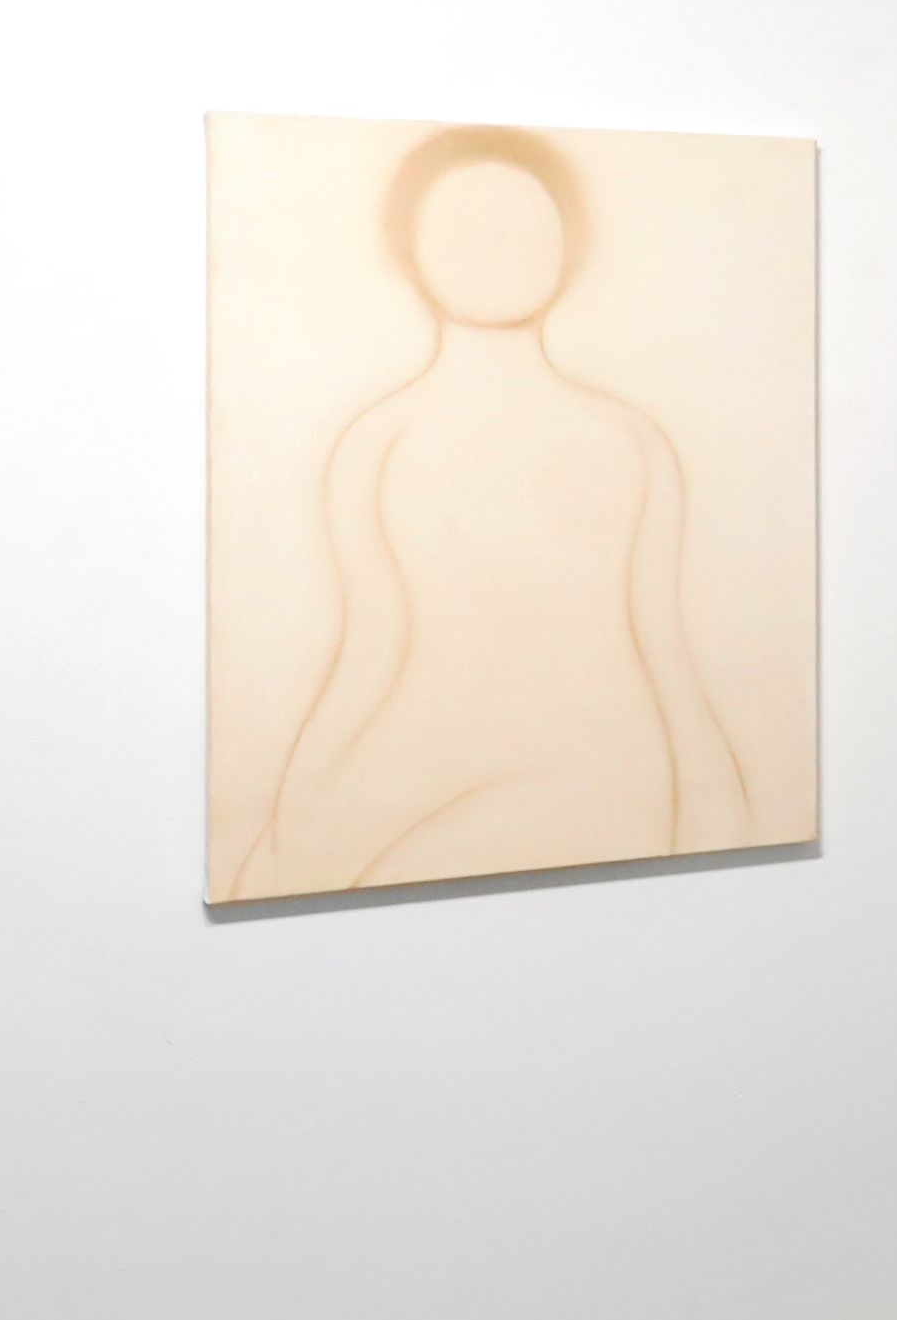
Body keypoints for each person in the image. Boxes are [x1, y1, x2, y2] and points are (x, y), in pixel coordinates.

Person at [221, 128, 750, 899]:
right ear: (410, 252)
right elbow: (367, 652)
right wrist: (292, 827)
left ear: (569, 248)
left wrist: (723, 822)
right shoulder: (380, 442)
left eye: (526, 229)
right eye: (465, 231)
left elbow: (669, 656)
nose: (498, 252)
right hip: (425, 779)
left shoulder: (632, 443)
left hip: (607, 781)